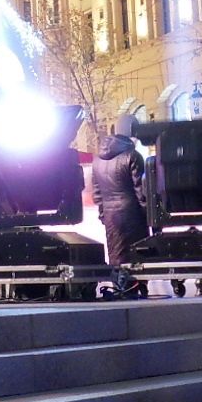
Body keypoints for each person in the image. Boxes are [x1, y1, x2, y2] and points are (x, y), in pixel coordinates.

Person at [91, 115, 151, 294]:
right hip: (132, 212)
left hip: (111, 214)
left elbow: (97, 194)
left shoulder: (97, 160)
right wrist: (146, 212)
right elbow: (140, 189)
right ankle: (139, 285)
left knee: (116, 253)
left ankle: (119, 285)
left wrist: (103, 214)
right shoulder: (133, 155)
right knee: (137, 252)